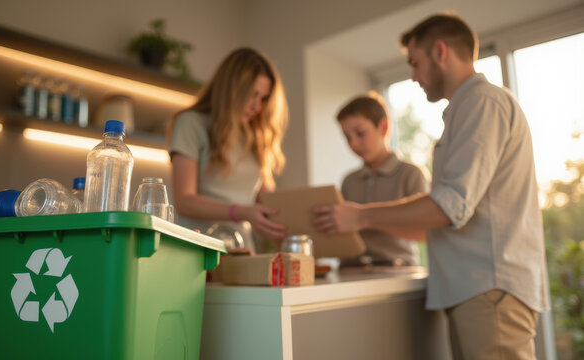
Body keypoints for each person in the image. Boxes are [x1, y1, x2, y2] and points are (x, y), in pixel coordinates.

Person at [312, 13, 548, 359]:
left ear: (440, 51)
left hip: (489, 287)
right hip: (475, 289)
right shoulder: (465, 109)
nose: (413, 76)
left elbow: (449, 205)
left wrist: (361, 217)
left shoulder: (482, 103)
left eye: (415, 63)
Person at [167, 47, 288, 252]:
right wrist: (241, 212)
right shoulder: (191, 123)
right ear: (230, 89)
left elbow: (267, 202)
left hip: (240, 249)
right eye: (252, 95)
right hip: (197, 247)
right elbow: (184, 201)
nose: (257, 106)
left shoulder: (257, 136)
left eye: (263, 98)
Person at [335, 92, 428, 266]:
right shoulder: (349, 181)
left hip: (398, 270)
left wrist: (363, 218)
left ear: (383, 128)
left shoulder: (410, 174)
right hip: (353, 271)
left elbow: (427, 231)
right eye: (347, 138)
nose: (353, 144)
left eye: (360, 133)